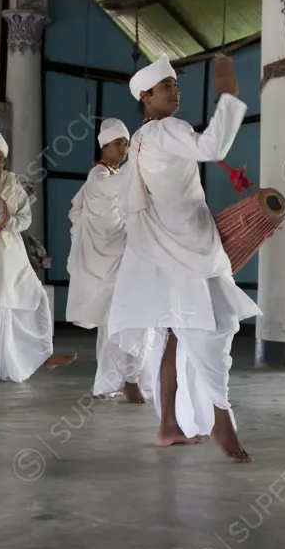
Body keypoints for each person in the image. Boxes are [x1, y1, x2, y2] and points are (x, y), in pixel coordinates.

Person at [107, 54, 259, 463]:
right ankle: (222, 422)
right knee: (213, 333)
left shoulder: (139, 139)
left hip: (164, 249)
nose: (176, 91)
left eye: (176, 84)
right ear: (146, 96)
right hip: (188, 249)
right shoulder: (166, 130)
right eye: (167, 86)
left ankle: (168, 426)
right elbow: (212, 146)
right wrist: (229, 95)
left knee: (177, 338)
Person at [0, 133, 77, 383]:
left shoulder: (14, 185)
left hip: (10, 252)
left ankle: (44, 355)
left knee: (34, 297)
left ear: (4, 162)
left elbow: (24, 218)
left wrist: (2, 221)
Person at [67, 117, 146, 403]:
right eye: (118, 144)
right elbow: (121, 187)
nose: (123, 148)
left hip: (123, 253)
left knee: (118, 321)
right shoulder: (99, 177)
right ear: (104, 147)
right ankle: (126, 380)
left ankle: (116, 380)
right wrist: (145, 160)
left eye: (126, 144)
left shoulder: (112, 174)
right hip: (108, 260)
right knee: (117, 320)